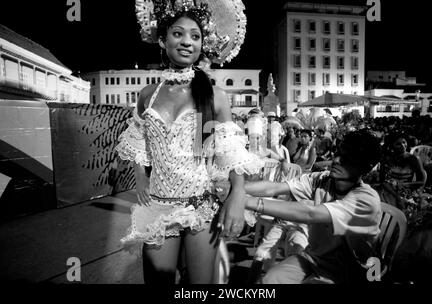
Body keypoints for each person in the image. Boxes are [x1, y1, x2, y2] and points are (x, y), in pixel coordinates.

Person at [115, 0, 260, 284]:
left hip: (200, 209)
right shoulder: (148, 95)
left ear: (202, 44)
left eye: (195, 36)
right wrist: (140, 178)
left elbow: (228, 150)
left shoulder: (214, 95)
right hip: (157, 208)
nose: (187, 42)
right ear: (162, 38)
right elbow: (138, 140)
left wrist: (237, 193)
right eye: (178, 33)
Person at [244, 130, 382, 283]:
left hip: (350, 272)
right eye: (338, 153)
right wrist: (235, 189)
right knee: (270, 279)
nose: (336, 160)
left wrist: (246, 202)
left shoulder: (366, 200)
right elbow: (274, 188)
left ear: (366, 168)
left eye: (347, 158)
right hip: (315, 259)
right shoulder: (322, 180)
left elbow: (311, 213)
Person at [378, 132, 427, 212]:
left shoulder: (414, 159)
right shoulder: (387, 158)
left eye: (404, 142)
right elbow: (382, 180)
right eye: (398, 144)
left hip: (406, 190)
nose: (403, 146)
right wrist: (395, 193)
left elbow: (421, 181)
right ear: (391, 145)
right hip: (389, 190)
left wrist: (403, 185)